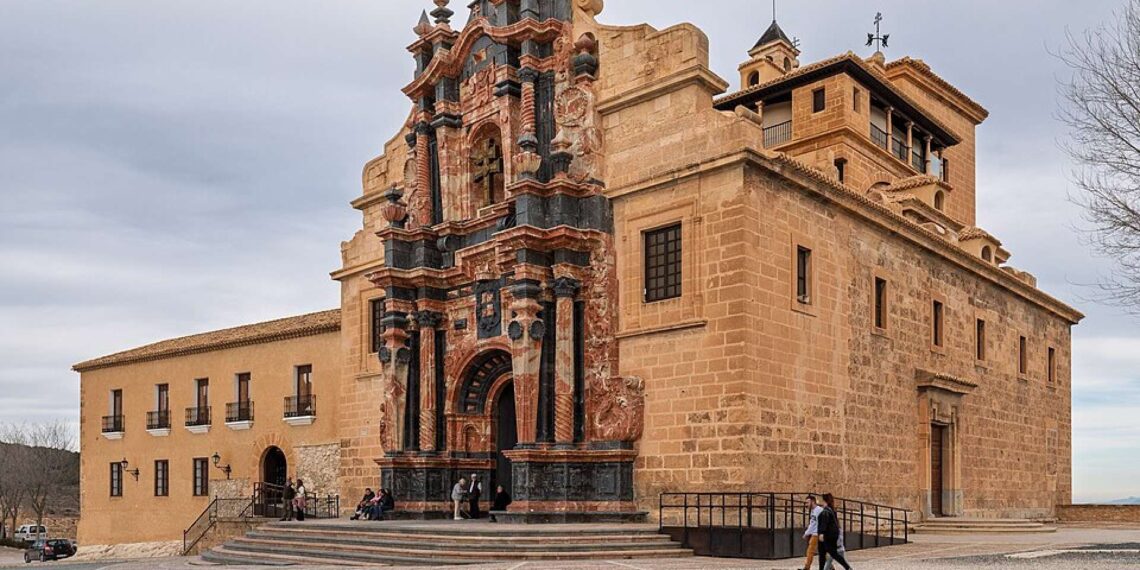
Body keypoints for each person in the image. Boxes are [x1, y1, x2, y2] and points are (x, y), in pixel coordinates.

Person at [816, 494, 853, 570]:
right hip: (832, 535)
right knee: (825, 554)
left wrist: (821, 533)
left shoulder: (825, 511)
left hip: (827, 535)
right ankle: (847, 567)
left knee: (831, 554)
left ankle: (847, 567)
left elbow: (824, 522)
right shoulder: (831, 510)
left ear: (824, 500)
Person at [802, 494, 823, 570]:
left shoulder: (818, 510)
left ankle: (807, 567)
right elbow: (812, 523)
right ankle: (830, 567)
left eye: (808, 502)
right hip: (817, 533)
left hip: (817, 534)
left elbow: (813, 524)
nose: (806, 505)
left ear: (813, 502)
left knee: (810, 551)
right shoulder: (814, 511)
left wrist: (806, 533)